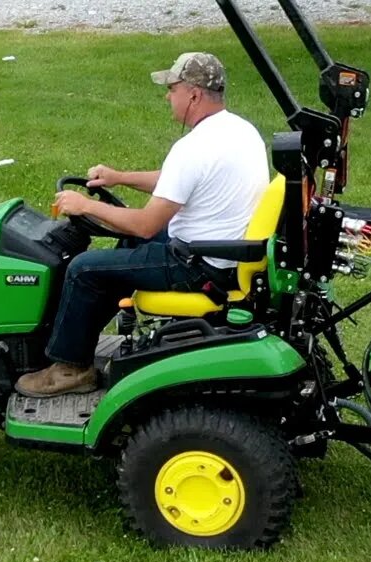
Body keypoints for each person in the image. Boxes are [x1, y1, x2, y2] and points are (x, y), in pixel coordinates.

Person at [15, 51, 270, 398]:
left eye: (173, 89)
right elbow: (177, 182)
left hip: (199, 266)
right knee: (126, 249)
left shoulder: (193, 147)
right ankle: (80, 335)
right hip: (224, 250)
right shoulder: (239, 130)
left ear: (193, 94)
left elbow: (146, 225)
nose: (168, 96)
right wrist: (119, 178)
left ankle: (71, 369)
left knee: (83, 269)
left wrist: (86, 205)